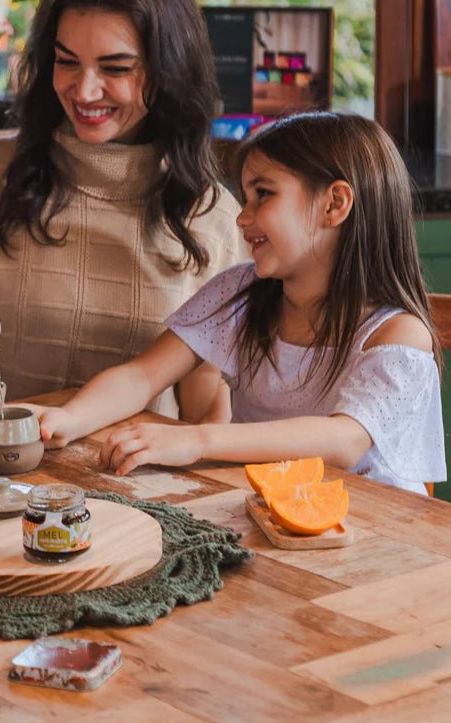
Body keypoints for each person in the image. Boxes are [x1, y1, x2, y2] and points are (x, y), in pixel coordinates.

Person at [0, 0, 245, 446]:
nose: (84, 90)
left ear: (168, 71)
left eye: (116, 68)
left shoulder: (213, 219)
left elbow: (204, 410)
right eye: (67, 62)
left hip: (140, 494)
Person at [36, 112, 446, 496]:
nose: (241, 218)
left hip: (380, 538)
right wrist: (69, 419)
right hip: (274, 514)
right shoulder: (238, 295)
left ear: (334, 204)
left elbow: (345, 440)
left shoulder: (397, 333)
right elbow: (143, 376)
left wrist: (197, 439)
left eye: (263, 195)